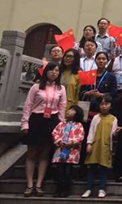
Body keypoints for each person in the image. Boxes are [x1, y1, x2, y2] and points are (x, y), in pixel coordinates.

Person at [21, 62, 67, 197]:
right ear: (46, 71)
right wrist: (25, 124)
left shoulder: (61, 88)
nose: (54, 73)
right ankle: (29, 184)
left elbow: (62, 107)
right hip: (36, 120)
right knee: (32, 153)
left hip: (52, 121)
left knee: (45, 154)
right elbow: (28, 106)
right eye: (51, 70)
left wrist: (61, 125)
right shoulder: (36, 87)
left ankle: (39, 185)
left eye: (56, 71)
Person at [82, 96, 119, 199]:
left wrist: (116, 132)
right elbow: (91, 131)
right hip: (95, 146)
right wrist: (89, 143)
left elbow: (113, 135)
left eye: (106, 104)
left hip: (105, 147)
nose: (104, 106)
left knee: (104, 168)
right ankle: (88, 189)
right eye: (102, 104)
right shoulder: (95, 117)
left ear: (111, 106)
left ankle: (102, 189)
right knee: (91, 168)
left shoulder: (114, 119)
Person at [51, 105, 85, 197]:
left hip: (72, 151)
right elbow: (55, 133)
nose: (69, 111)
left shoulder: (79, 125)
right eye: (69, 109)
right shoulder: (61, 124)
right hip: (61, 150)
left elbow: (80, 136)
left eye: (72, 110)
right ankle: (58, 189)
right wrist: (59, 141)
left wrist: (72, 142)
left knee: (68, 171)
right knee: (59, 170)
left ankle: (66, 189)